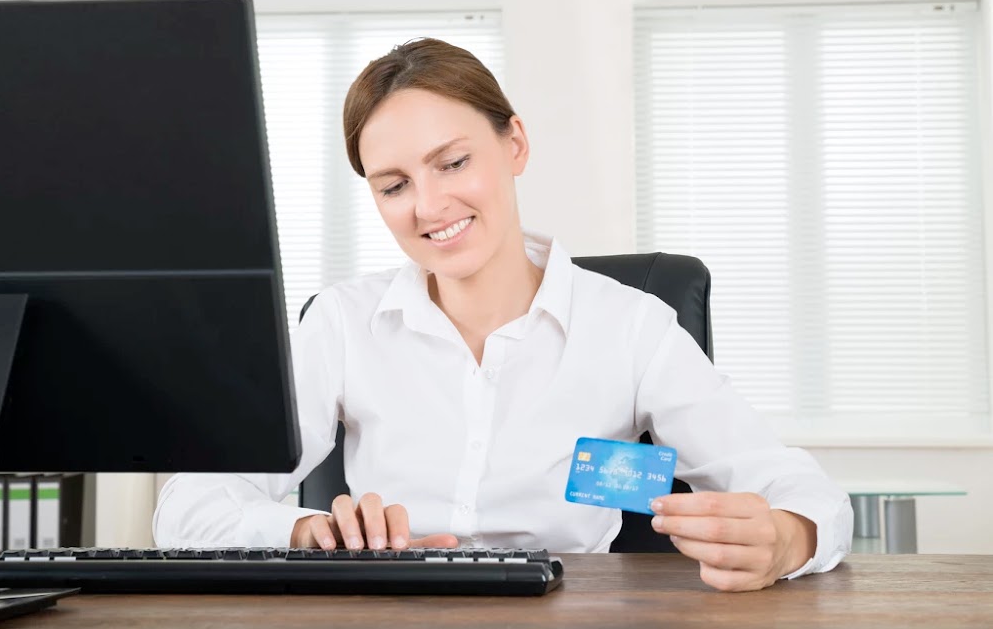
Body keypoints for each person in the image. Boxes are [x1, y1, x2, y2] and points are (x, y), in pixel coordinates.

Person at [153, 38, 853, 592]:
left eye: (453, 163)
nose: (428, 207)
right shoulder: (341, 322)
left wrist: (788, 536)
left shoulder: (632, 326)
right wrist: (305, 532)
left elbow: (803, 492)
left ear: (514, 143)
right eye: (394, 185)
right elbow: (187, 511)